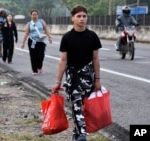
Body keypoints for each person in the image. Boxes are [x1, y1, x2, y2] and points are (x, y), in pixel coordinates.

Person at [51, 5, 102, 141]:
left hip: (88, 79)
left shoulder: (92, 36)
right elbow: (63, 61)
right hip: (73, 79)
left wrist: (97, 79)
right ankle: (82, 135)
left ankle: (77, 134)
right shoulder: (67, 38)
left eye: (84, 16)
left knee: (85, 108)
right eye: (79, 16)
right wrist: (57, 82)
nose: (82, 19)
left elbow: (96, 59)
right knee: (76, 105)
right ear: (72, 18)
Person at [21, 9, 52, 75]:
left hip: (41, 41)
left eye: (36, 14)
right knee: (33, 56)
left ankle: (39, 66)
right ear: (31, 15)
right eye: (33, 15)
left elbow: (46, 29)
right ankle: (34, 70)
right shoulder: (29, 24)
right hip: (32, 41)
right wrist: (23, 43)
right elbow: (26, 34)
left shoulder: (41, 21)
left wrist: (49, 37)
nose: (35, 16)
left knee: (41, 55)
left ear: (38, 15)